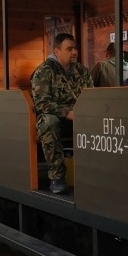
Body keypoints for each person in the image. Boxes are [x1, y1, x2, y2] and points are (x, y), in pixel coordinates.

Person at [31, 33, 94, 195]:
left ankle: (94, 174)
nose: (74, 52)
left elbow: (92, 97)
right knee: (48, 122)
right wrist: (67, 113)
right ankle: (57, 176)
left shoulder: (82, 71)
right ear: (57, 51)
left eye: (75, 48)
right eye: (69, 49)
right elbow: (42, 104)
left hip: (80, 117)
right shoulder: (43, 72)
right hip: (55, 118)